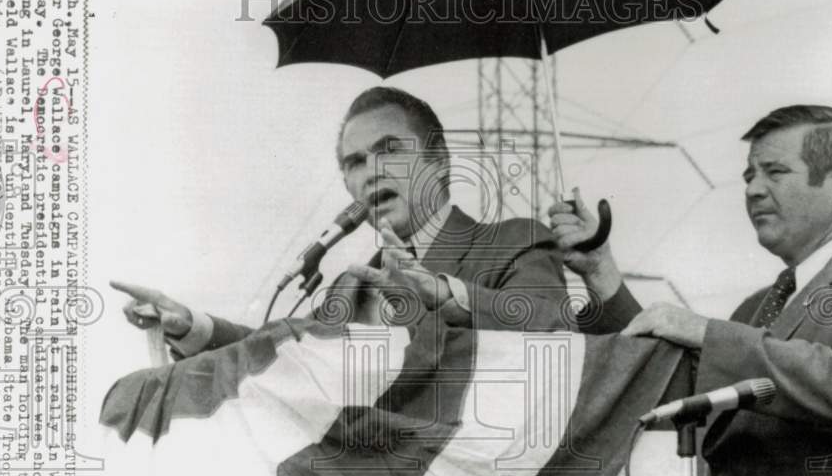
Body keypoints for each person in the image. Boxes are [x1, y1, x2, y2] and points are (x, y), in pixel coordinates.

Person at [549, 105, 832, 476]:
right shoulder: (756, 310)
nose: (753, 190)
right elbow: (664, 389)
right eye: (748, 176)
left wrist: (705, 332)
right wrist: (601, 274)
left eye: (774, 172)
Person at [112, 86, 570, 361]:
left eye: (390, 150)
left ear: (441, 161)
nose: (371, 172)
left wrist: (444, 295)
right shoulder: (352, 289)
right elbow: (281, 355)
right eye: (354, 162)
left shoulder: (515, 241)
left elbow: (551, 327)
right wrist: (188, 325)